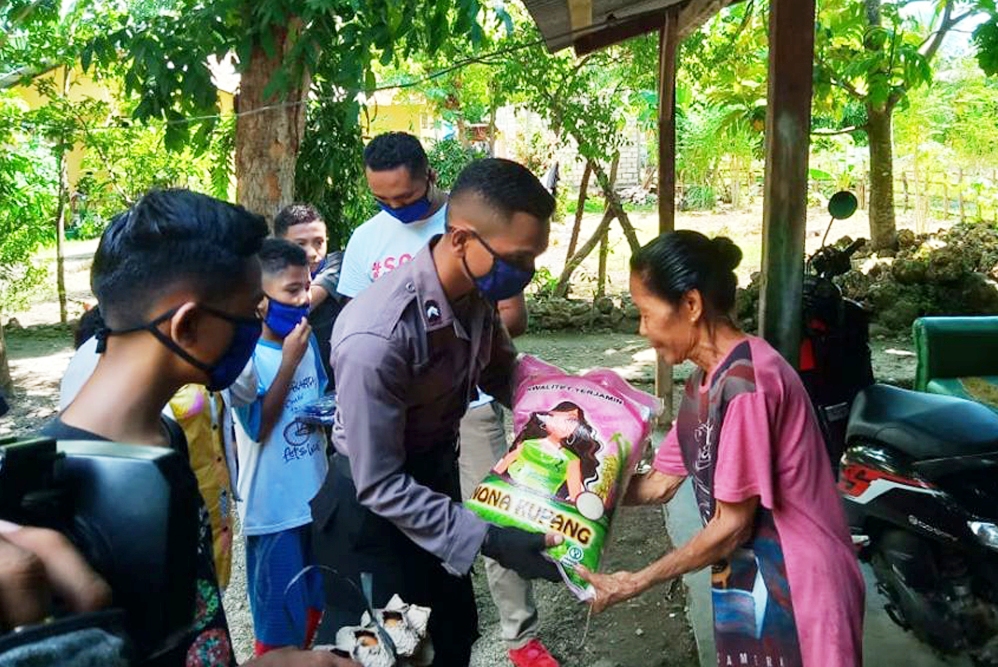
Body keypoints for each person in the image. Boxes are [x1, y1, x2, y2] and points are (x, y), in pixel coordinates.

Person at [38, 189, 355, 667]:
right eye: (252, 311)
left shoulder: (164, 444)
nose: (262, 321)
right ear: (186, 327)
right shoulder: (44, 499)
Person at [312, 158, 562, 667]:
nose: (526, 275)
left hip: (432, 486)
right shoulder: (377, 337)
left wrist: (577, 413)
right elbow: (378, 483)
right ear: (462, 239)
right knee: (390, 655)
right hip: (372, 518)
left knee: (450, 639)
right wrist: (489, 537)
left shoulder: (473, 295)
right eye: (517, 259)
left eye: (533, 258)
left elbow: (499, 371)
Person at [576, 231, 865, 667]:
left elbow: (731, 525)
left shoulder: (747, 384)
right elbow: (657, 485)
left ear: (691, 305)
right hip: (749, 577)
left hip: (800, 586)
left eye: (646, 313)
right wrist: (572, 487)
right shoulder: (703, 382)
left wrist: (634, 582)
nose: (643, 330)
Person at [229, 239, 328, 655]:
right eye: (291, 291)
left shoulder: (306, 342)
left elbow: (323, 395)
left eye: (307, 286)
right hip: (273, 512)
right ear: (260, 302)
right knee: (277, 619)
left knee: (317, 604)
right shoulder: (245, 359)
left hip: (316, 500)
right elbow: (259, 428)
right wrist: (288, 361)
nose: (304, 299)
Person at [273, 204, 343, 380]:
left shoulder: (336, 266)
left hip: (333, 379)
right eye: (300, 244)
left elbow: (305, 302)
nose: (312, 253)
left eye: (319, 242)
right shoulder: (268, 273)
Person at [494, 402, 602, 504]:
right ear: (548, 418)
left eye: (572, 420)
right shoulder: (528, 444)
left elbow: (575, 496)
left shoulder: (572, 460)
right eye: (557, 417)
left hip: (543, 505)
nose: (564, 424)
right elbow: (500, 469)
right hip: (508, 494)